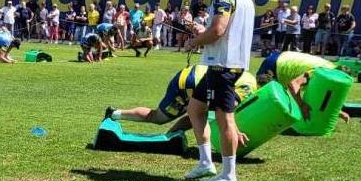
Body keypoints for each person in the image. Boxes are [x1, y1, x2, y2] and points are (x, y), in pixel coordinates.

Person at [181, 0, 255, 181]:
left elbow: (218, 30)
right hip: (225, 63)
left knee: (225, 120)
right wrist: (202, 32)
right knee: (195, 109)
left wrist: (195, 41)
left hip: (224, 65)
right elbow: (222, 30)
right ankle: (206, 162)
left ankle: (228, 175)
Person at [105, 66, 258, 133]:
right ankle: (170, 136)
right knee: (161, 117)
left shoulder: (248, 76)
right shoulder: (251, 87)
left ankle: (115, 113)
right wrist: (234, 131)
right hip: (190, 85)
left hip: (189, 76)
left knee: (193, 115)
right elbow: (227, 110)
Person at [255, 50, 341, 122]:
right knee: (262, 99)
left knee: (278, 104)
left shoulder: (332, 68)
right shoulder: (321, 73)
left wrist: (338, 112)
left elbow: (322, 96)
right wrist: (301, 105)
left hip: (283, 57)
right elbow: (293, 84)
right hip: (275, 64)